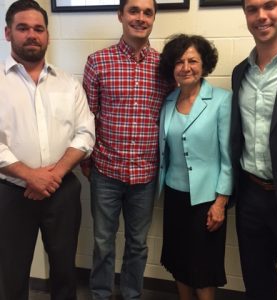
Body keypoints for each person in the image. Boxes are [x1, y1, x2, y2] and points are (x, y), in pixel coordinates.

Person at [0, 1, 95, 299]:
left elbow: (85, 133)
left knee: (65, 271)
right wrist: (29, 175)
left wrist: (51, 175)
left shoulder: (68, 84)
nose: (32, 35)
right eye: (23, 28)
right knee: (11, 273)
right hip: (11, 194)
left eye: (39, 29)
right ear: (7, 33)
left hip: (62, 192)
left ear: (47, 36)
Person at [81, 0, 169, 299]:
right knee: (103, 242)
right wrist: (88, 161)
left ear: (154, 18)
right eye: (134, 11)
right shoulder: (97, 62)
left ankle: (132, 294)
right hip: (106, 171)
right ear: (120, 15)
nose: (140, 18)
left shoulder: (164, 65)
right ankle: (101, 294)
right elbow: (88, 116)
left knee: (137, 244)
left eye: (147, 12)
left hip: (145, 174)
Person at [230, 0, 277, 299]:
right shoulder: (239, 73)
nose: (261, 16)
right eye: (251, 9)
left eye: (269, 5)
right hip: (251, 197)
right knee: (257, 285)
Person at [158, 34, 233, 300]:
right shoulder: (168, 101)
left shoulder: (222, 100)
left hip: (206, 200)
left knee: (203, 268)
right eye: (179, 61)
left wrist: (221, 202)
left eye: (192, 60)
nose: (186, 67)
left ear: (204, 64)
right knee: (179, 261)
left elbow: (228, 156)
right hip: (174, 195)